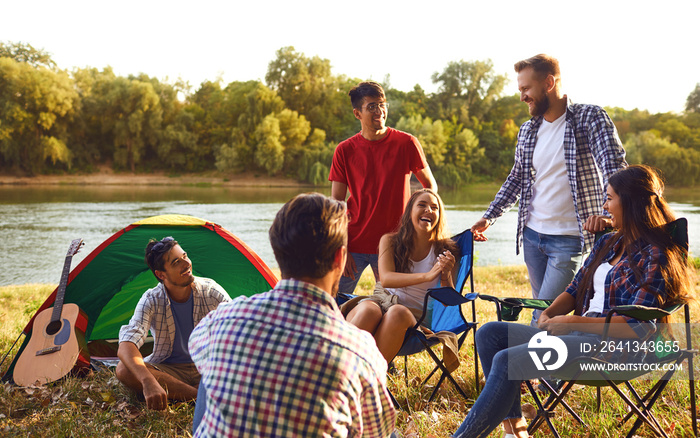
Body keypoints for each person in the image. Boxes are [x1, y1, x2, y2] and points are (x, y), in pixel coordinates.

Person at [454, 165, 693, 438]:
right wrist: (550, 314)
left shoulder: (656, 254)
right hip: (579, 336)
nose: (605, 205)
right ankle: (515, 431)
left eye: (610, 198)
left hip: (615, 350)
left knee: (508, 360)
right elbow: (576, 287)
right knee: (490, 333)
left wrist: (570, 323)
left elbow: (636, 327)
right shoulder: (611, 243)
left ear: (630, 202)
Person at [189, 193, 396, 437]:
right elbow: (377, 432)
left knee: (215, 358)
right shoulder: (361, 352)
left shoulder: (221, 320)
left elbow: (196, 349)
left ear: (277, 252)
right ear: (339, 259)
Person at [470, 54, 627, 325]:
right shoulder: (528, 130)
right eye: (520, 90)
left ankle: (526, 365)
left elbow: (614, 169)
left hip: (568, 239)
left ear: (549, 83)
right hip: (532, 237)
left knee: (543, 315)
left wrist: (609, 215)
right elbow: (517, 178)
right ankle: (549, 366)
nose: (522, 97)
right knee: (539, 306)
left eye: (526, 89)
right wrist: (489, 216)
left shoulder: (589, 118)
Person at [329, 81, 437, 294]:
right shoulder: (344, 150)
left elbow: (430, 186)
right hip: (354, 243)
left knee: (394, 304)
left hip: (395, 243)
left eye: (382, 104)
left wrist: (416, 224)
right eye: (372, 106)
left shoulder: (407, 143)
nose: (380, 111)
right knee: (333, 300)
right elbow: (336, 204)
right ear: (357, 114)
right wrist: (341, 246)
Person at [115, 237, 231, 411]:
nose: (186, 264)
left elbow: (240, 324)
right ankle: (198, 397)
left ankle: (187, 396)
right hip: (170, 370)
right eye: (177, 261)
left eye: (185, 256)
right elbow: (126, 344)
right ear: (161, 274)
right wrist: (148, 381)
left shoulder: (210, 291)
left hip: (209, 367)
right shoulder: (151, 299)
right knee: (124, 369)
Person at [343, 188, 458, 363]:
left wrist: (445, 275)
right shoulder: (390, 241)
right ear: (409, 211)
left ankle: (369, 378)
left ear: (439, 216)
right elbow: (387, 278)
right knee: (368, 310)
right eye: (422, 205)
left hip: (414, 315)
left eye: (435, 208)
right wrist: (426, 276)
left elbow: (448, 302)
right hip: (381, 300)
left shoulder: (445, 250)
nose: (429, 210)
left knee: (398, 312)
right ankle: (333, 368)